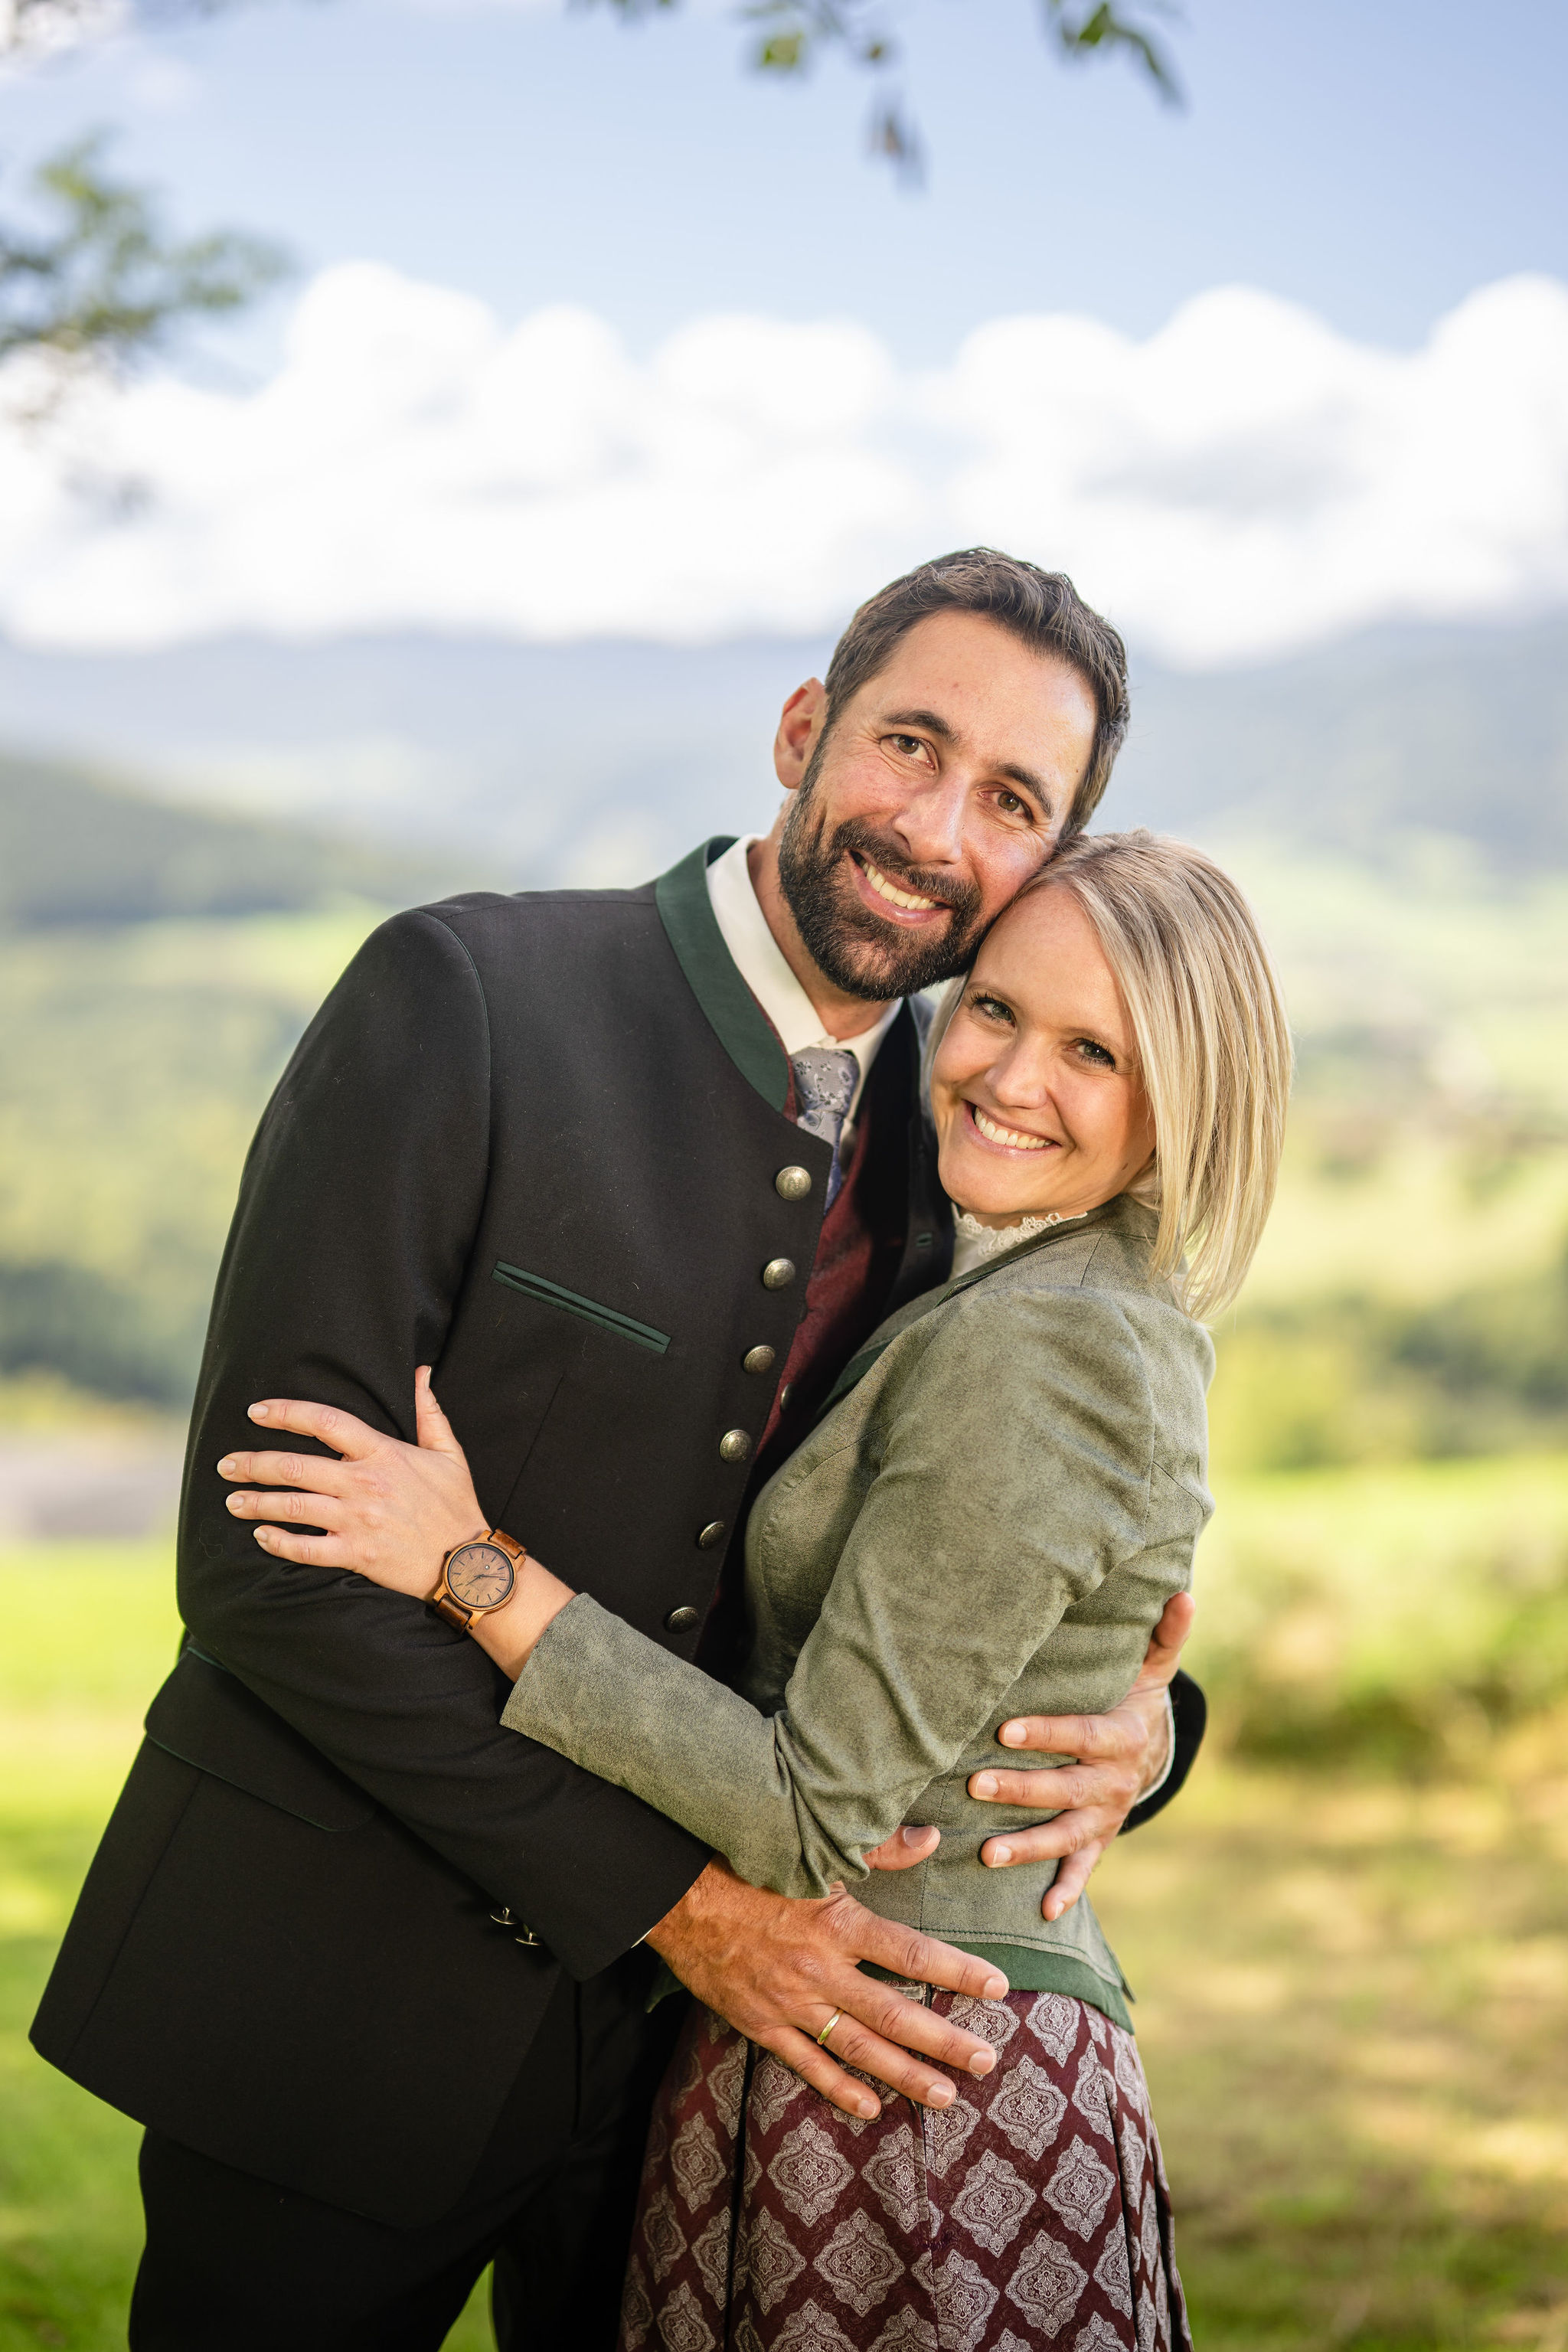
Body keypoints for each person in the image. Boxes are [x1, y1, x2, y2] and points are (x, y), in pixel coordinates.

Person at [31, 551, 1205, 2349]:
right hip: (332, 2007)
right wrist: (679, 1910)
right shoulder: (466, 998)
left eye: (1009, 799)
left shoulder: (965, 1135)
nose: (933, 828)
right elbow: (269, 1567)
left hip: (684, 2095)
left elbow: (970, 1554)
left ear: (1042, 860)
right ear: (802, 730)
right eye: (909, 743)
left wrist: (1146, 1730)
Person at [227, 829, 1289, 2349]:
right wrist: (1147, 1721)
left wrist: (474, 1568)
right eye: (995, 1009)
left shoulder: (1046, 1338)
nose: (1008, 1076)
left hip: (904, 2084)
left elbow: (809, 1812)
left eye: (1093, 1052)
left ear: (1185, 1098)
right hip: (850, 2042)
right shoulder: (1008, 1264)